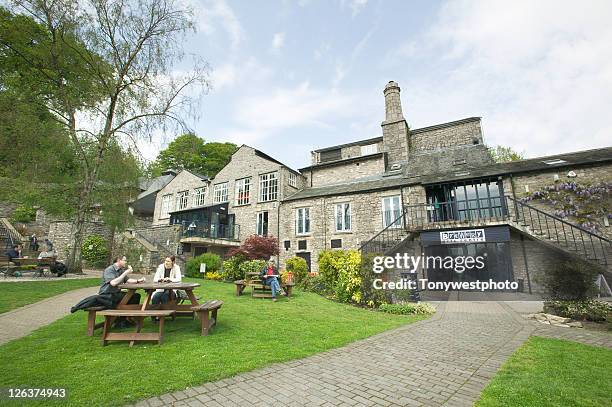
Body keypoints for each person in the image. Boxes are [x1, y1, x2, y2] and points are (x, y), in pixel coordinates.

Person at [99, 256, 144, 327]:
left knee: (136, 296)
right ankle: (121, 321)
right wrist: (125, 272)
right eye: (124, 260)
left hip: (116, 293)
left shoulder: (120, 270)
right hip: (107, 295)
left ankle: (124, 319)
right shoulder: (110, 270)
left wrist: (138, 281)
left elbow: (128, 280)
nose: (126, 262)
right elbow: (113, 283)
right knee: (129, 298)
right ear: (119, 260)